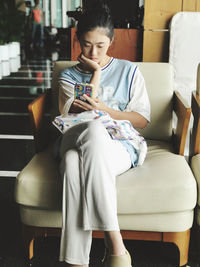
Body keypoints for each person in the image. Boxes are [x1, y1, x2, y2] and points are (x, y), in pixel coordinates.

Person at [55, 1, 150, 266]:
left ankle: (75, 261)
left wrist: (109, 110)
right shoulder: (67, 77)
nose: (93, 51)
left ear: (111, 41)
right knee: (93, 127)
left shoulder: (130, 72)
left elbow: (141, 120)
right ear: (78, 40)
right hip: (76, 137)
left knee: (73, 163)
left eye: (100, 45)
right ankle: (115, 243)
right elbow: (75, 118)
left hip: (119, 146)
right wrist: (95, 73)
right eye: (87, 44)